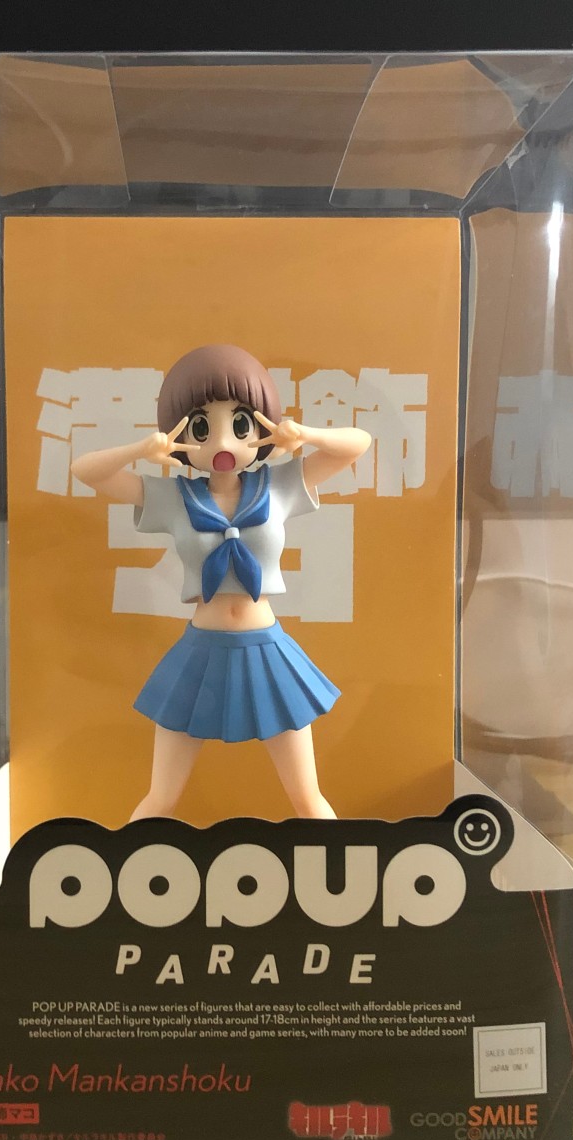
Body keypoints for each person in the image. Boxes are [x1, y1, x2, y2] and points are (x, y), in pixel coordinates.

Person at [69, 344, 372, 821]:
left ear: (262, 427)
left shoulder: (280, 486)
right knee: (161, 799)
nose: (223, 443)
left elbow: (358, 444)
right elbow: (86, 470)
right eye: (201, 428)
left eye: (241, 424)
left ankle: (337, 869)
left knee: (307, 800)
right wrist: (142, 450)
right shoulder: (174, 497)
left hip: (268, 651)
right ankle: (127, 865)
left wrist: (304, 434)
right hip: (199, 654)